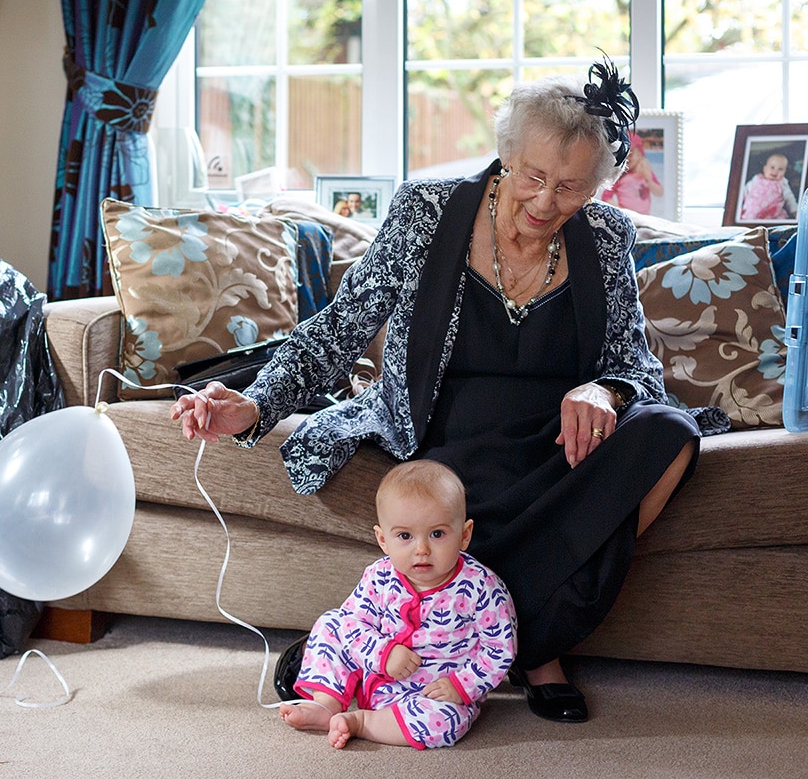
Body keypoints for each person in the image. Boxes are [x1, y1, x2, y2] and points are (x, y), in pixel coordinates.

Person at [170, 56, 701, 724]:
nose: (545, 203)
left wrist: (605, 390)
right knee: (445, 499)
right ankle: (535, 650)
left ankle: (479, 640)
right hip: (445, 441)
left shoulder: (605, 235)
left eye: (571, 188)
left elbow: (635, 361)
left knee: (672, 433)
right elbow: (342, 327)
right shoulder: (428, 213)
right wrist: (253, 404)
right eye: (533, 177)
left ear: (599, 186)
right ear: (506, 156)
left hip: (557, 448)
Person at [279, 459, 516, 749]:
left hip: (432, 693)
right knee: (332, 623)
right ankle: (325, 705)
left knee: (445, 724)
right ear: (383, 540)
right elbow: (353, 622)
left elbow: (499, 648)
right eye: (405, 536)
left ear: (464, 535)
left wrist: (460, 685)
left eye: (437, 534)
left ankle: (364, 723)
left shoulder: (481, 587)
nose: (422, 549)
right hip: (374, 669)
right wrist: (382, 653)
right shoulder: (379, 576)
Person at [601, 132, 662, 215]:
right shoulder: (619, 175)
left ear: (639, 154)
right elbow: (606, 197)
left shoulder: (646, 172)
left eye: (631, 154)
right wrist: (620, 210)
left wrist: (650, 181)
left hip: (645, 216)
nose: (627, 158)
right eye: (623, 154)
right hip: (628, 216)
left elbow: (659, 193)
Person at [739, 152, 799, 221]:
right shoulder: (757, 179)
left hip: (772, 213)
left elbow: (789, 198)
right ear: (765, 168)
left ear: (785, 172)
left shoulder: (782, 182)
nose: (775, 171)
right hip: (752, 211)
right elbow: (745, 191)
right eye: (772, 167)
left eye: (780, 169)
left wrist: (795, 211)